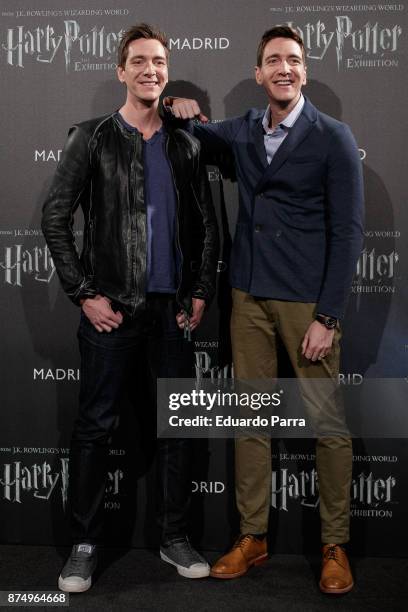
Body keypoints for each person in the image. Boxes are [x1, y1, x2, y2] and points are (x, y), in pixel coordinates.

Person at [166, 25, 364, 594]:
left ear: (304, 70)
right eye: (273, 60)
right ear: (259, 74)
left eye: (293, 60)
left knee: (327, 426)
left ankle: (335, 544)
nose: (284, 68)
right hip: (247, 297)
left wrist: (328, 317)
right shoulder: (245, 129)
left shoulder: (333, 137)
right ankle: (252, 536)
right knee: (251, 423)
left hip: (307, 304)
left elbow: (348, 234)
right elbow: (200, 133)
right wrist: (182, 109)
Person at [41, 23, 219, 592]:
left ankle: (174, 537)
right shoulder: (91, 137)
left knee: (178, 428)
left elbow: (207, 228)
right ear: (121, 71)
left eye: (159, 62)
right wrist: (84, 294)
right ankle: (85, 543)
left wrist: (199, 292)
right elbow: (54, 218)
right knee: (94, 428)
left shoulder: (187, 141)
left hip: (172, 314)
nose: (150, 70)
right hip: (110, 312)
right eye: (139, 61)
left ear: (167, 71)